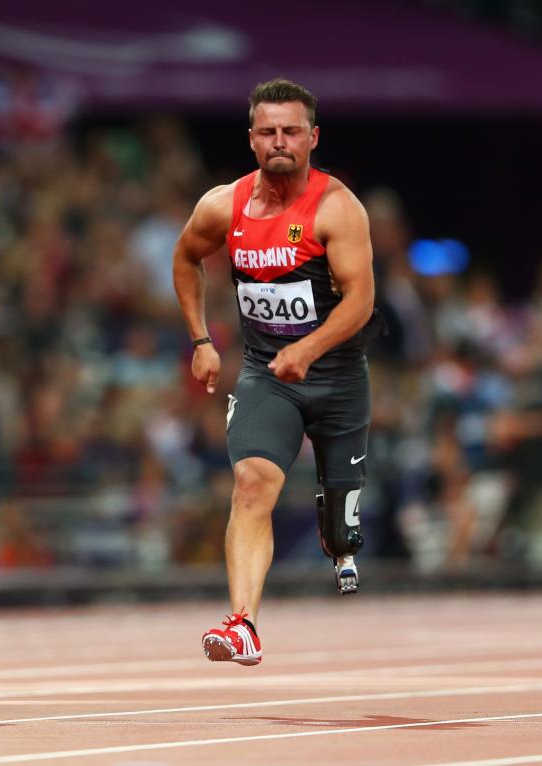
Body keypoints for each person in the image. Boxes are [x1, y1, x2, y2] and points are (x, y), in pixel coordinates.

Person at [172, 79, 379, 665]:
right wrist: (201, 339)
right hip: (268, 377)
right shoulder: (223, 205)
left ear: (313, 138)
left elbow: (361, 300)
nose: (280, 141)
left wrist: (310, 348)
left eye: (291, 131)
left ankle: (339, 541)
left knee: (342, 532)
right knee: (251, 484)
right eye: (268, 131)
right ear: (252, 139)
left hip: (337, 378)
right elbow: (186, 258)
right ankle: (243, 624)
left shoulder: (337, 207)